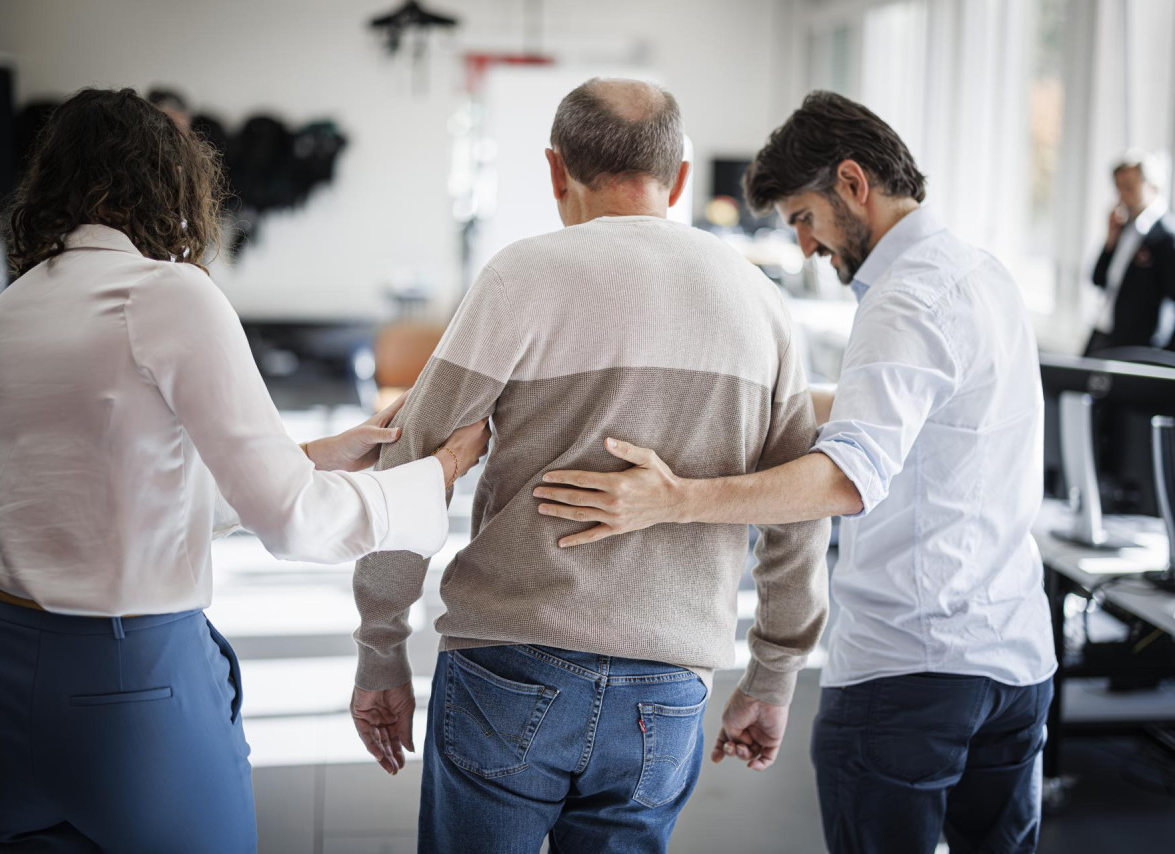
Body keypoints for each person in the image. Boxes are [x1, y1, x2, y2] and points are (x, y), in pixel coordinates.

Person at [0, 88, 489, 854]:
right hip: (127, 688)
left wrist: (310, 455)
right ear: (166, 182)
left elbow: (111, 491)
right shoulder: (166, 294)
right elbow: (295, 521)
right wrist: (435, 474)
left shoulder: (6, 314)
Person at [536, 91, 1057, 854]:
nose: (808, 247)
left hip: (911, 673)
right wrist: (755, 400)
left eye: (805, 218)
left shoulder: (904, 299)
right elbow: (901, 414)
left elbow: (845, 478)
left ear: (853, 183)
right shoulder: (982, 275)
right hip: (1016, 661)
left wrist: (676, 500)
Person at [349, 78, 830, 853]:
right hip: (668, 682)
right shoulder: (759, 301)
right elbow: (794, 507)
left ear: (554, 169)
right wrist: (773, 675)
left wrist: (380, 643)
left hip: (509, 663)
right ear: (677, 177)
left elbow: (414, 463)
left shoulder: (520, 277)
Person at [1085, 150, 1175, 357]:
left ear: (1152, 186)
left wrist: (1168, 360)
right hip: (1105, 334)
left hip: (1138, 348)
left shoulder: (1168, 238)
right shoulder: (1125, 227)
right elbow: (1098, 279)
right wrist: (1110, 242)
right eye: (1118, 188)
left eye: (1129, 187)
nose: (1122, 195)